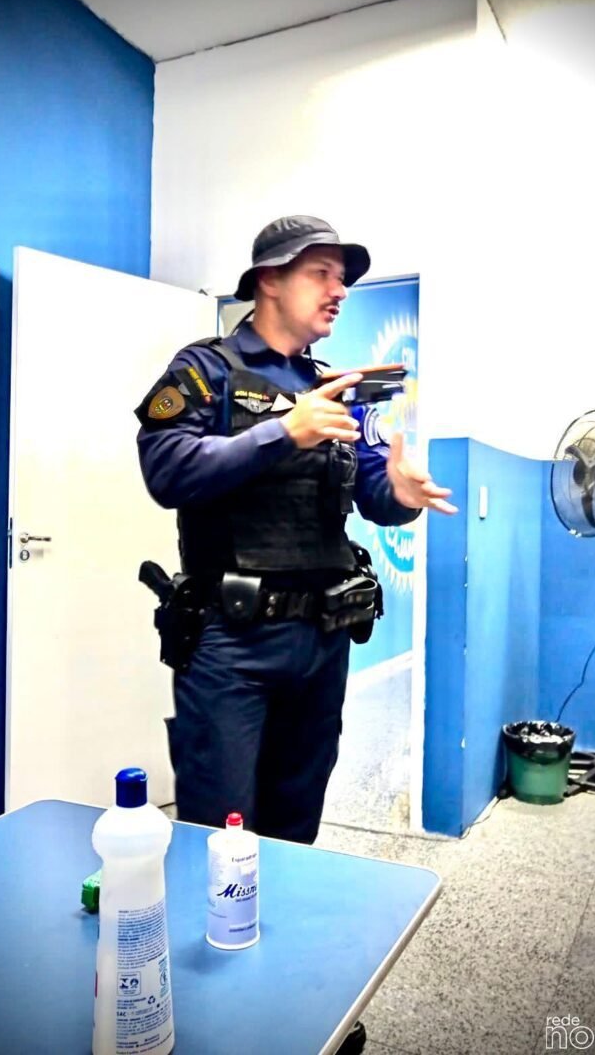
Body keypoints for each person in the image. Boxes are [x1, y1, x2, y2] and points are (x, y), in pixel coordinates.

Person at [135, 215, 457, 846]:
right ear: (269, 280)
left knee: (295, 826)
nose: (339, 290)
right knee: (220, 833)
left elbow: (373, 492)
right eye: (322, 274)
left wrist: (401, 494)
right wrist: (284, 432)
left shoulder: (331, 386)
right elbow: (167, 471)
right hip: (232, 644)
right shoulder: (205, 369)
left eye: (343, 279)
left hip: (322, 643)